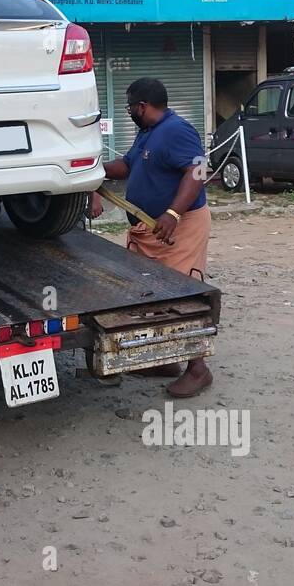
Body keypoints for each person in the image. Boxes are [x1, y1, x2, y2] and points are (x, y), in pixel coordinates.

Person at [89, 78, 214, 398]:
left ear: (142, 106)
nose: (129, 111)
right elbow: (127, 166)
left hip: (179, 227)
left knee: (180, 296)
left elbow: (198, 170)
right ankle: (166, 360)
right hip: (149, 230)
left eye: (130, 106)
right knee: (149, 295)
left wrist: (172, 213)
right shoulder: (147, 133)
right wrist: (90, 171)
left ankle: (198, 369)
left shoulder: (177, 130)